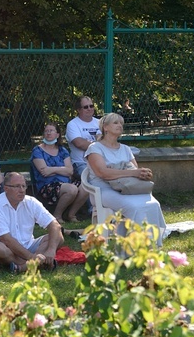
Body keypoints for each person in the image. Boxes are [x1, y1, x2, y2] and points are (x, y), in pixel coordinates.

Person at [84, 113, 166, 246]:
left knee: (153, 204)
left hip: (127, 189)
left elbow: (135, 173)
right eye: (116, 123)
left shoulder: (126, 149)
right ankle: (136, 247)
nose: (120, 126)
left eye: (121, 123)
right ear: (105, 127)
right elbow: (103, 173)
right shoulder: (94, 148)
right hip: (103, 190)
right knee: (134, 207)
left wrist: (143, 174)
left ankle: (152, 245)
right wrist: (133, 172)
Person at [0, 172, 64, 273]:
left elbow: (54, 224)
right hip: (8, 249)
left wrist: (51, 251)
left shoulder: (31, 201)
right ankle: (36, 263)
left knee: (58, 237)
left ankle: (23, 267)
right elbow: (6, 240)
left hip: (29, 245)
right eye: (17, 186)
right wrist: (31, 256)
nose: (22, 190)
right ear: (6, 188)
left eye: (24, 186)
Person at [30, 122, 88, 224]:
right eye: (46, 131)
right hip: (47, 185)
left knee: (86, 187)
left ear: (57, 135)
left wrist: (52, 169)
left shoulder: (63, 150)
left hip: (65, 183)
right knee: (72, 189)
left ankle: (70, 214)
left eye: (51, 131)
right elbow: (44, 172)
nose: (48, 133)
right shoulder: (38, 150)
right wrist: (62, 170)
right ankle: (56, 216)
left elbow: (70, 171)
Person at [66, 95, 100, 176]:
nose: (89, 109)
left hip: (101, 161)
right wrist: (100, 144)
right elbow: (79, 144)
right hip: (81, 164)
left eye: (91, 106)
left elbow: (109, 140)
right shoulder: (73, 124)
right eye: (85, 107)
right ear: (78, 110)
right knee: (93, 179)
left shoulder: (100, 122)